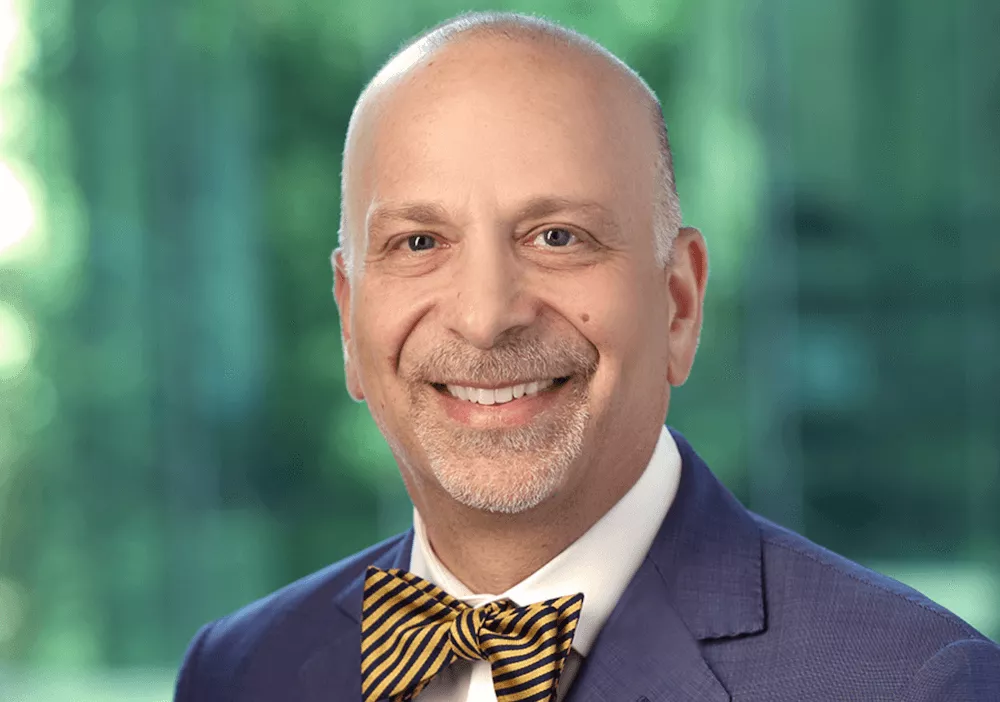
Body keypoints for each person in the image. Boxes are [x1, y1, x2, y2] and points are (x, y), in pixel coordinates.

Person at [173, 11, 1000, 702]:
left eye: (558, 237)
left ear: (679, 302)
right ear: (349, 317)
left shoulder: (912, 683)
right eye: (419, 242)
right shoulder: (239, 672)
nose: (485, 318)